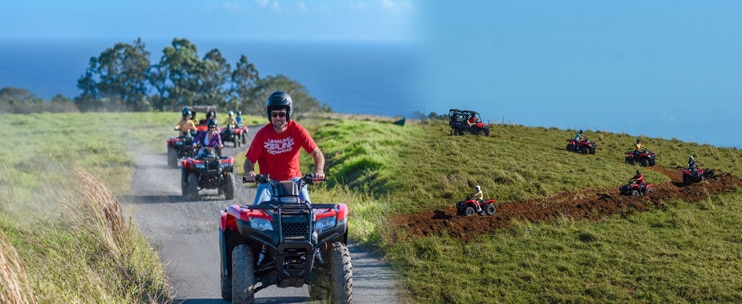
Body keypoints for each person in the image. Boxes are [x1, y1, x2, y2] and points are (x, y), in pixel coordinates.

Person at [243, 91, 326, 205]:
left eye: (281, 114)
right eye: (274, 115)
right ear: (269, 115)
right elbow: (249, 161)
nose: (278, 118)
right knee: (257, 212)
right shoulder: (262, 134)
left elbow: (317, 153)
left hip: (295, 181)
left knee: (308, 209)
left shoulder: (297, 130)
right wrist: (250, 172)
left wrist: (319, 170)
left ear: (288, 114)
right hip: (268, 183)